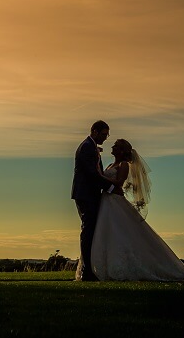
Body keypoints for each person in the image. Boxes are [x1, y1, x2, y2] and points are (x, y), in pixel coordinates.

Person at [89, 138, 184, 281]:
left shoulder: (124, 165)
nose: (112, 147)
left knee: (119, 231)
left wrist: (101, 178)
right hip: (106, 201)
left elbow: (119, 183)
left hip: (115, 201)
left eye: (116, 146)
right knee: (106, 231)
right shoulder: (111, 165)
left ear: (122, 151)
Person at [71, 120, 110, 281]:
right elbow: (92, 174)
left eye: (107, 135)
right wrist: (111, 187)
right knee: (88, 230)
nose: (105, 138)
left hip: (89, 194)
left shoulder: (91, 146)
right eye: (103, 134)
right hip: (86, 195)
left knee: (91, 230)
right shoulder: (87, 147)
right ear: (94, 131)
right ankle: (87, 271)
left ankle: (89, 269)